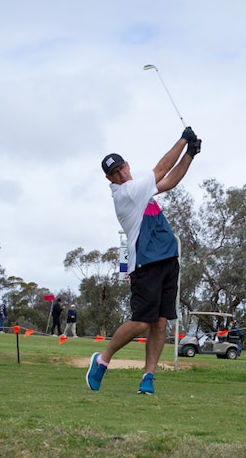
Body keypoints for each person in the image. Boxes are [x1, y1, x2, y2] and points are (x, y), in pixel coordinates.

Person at [86, 126, 201, 395]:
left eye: (122, 169)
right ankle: (102, 360)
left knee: (160, 323)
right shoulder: (126, 194)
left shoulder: (141, 190)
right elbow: (161, 170)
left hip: (169, 259)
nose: (121, 174)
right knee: (141, 322)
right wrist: (183, 140)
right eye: (114, 174)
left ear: (127, 165)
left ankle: (148, 377)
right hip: (146, 263)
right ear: (109, 179)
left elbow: (170, 181)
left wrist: (190, 155)